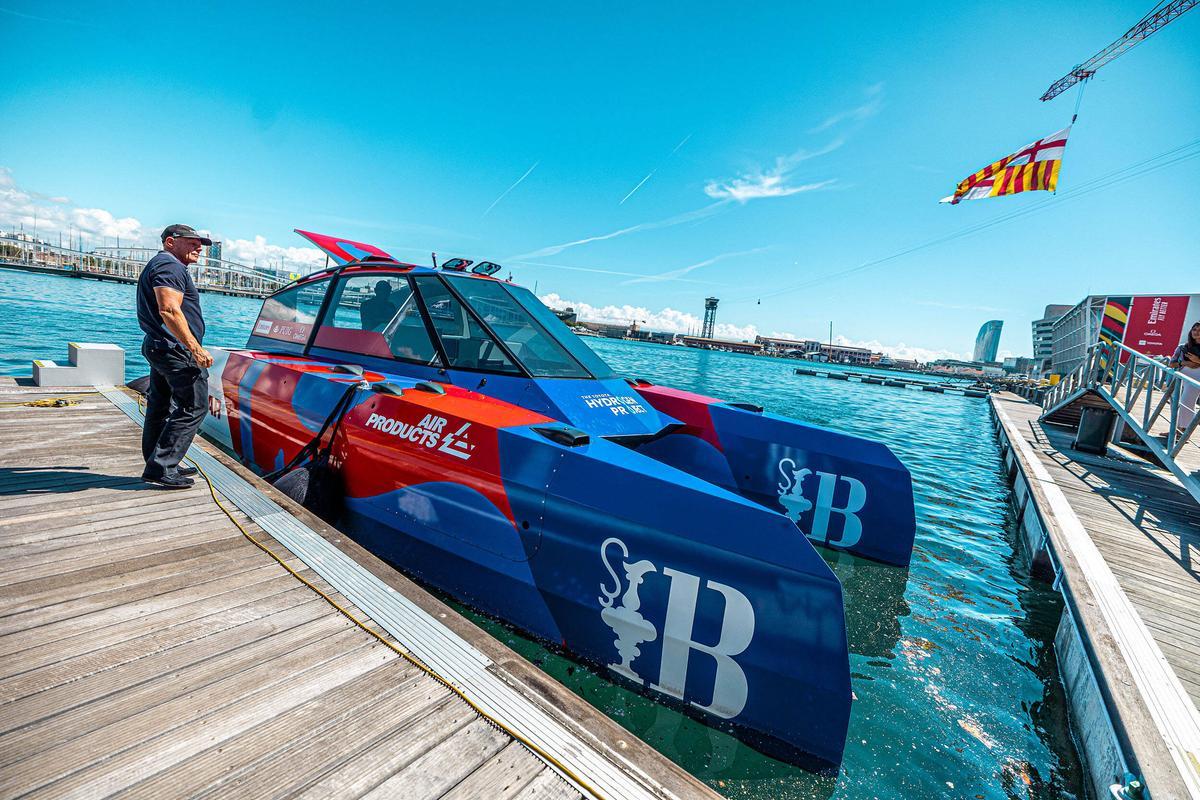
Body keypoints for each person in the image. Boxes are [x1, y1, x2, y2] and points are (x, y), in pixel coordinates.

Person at [136, 224, 214, 489]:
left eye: (199, 243)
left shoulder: (163, 264)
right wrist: (195, 348)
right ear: (171, 242)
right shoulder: (170, 266)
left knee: (160, 406)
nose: (199, 247)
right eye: (192, 242)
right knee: (194, 406)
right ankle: (163, 466)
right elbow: (169, 310)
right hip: (176, 350)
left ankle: (157, 462)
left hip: (163, 346)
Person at [1168, 321, 1200, 433]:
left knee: (1187, 402)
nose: (1196, 332)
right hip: (1180, 375)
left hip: (1197, 378)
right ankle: (1174, 430)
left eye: (1199, 330)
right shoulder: (1182, 347)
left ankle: (1184, 432)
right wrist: (1186, 363)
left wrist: (1198, 361)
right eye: (1194, 329)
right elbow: (1171, 364)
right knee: (1174, 401)